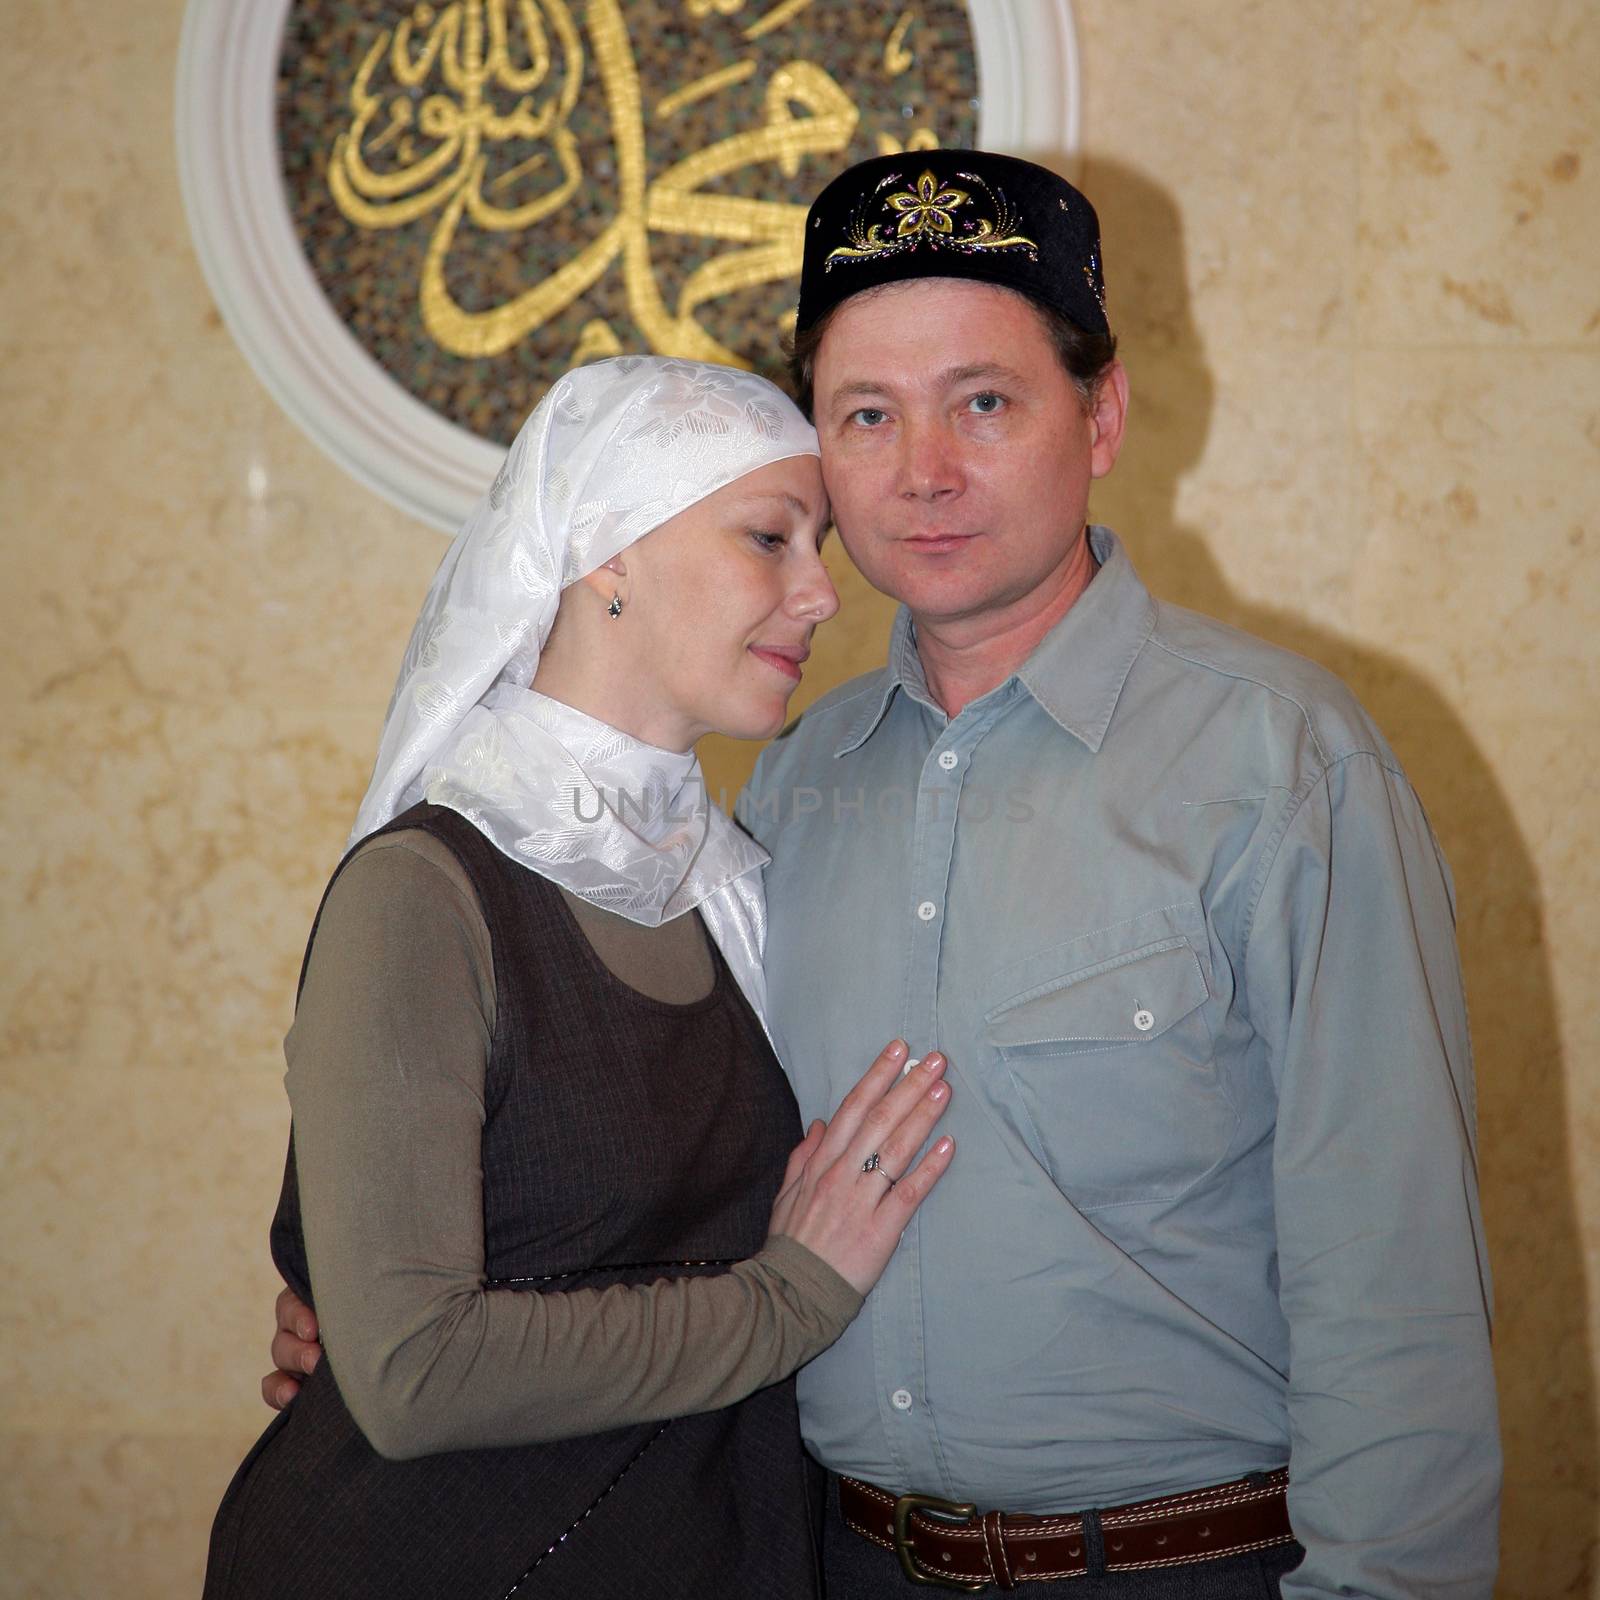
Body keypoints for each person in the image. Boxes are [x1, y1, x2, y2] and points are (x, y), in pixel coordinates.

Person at [271, 154, 1501, 1597]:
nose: (923, 471)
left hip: (1181, 1566)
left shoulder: (1282, 770)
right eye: (867, 416)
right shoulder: (784, 792)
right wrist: (368, 1289)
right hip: (833, 1563)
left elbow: (1398, 1295)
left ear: (1099, 415)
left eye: (984, 402)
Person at [208, 355, 956, 1600]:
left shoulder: (743, 884)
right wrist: (786, 1298)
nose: (822, 593)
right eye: (769, 536)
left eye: (815, 542)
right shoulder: (429, 891)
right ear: (606, 551)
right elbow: (412, 1372)